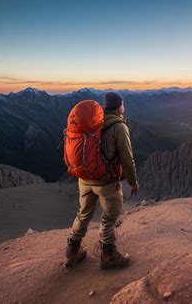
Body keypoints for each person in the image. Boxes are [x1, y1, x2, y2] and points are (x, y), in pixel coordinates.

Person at [65, 92, 139, 270]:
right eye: (123, 104)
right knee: (109, 218)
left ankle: (72, 251)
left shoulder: (92, 123)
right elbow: (127, 159)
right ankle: (108, 255)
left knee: (83, 215)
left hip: (84, 179)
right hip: (106, 182)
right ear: (119, 107)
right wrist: (133, 182)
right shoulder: (119, 127)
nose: (124, 107)